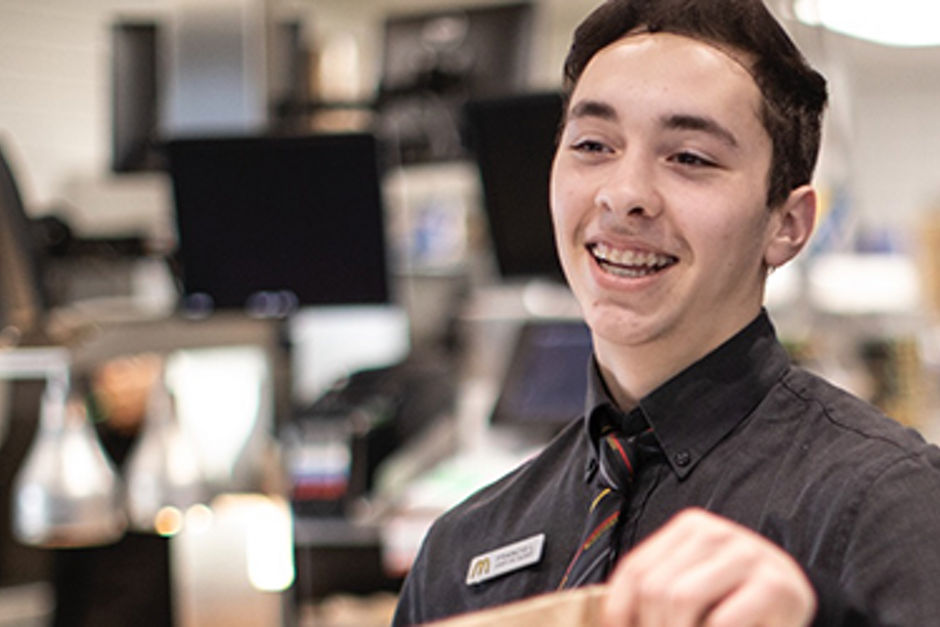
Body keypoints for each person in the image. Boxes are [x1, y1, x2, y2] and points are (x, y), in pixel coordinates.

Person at [392, 0, 940, 625]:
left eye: (690, 158)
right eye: (593, 144)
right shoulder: (463, 549)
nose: (623, 195)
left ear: (787, 225)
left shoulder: (887, 502)